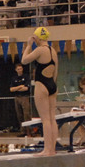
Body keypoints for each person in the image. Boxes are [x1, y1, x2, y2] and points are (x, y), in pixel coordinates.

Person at [21, 26, 58, 156]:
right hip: (52, 85)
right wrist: (52, 85)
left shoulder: (40, 50)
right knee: (52, 119)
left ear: (36, 38)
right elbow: (55, 71)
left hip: (42, 85)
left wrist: (28, 45)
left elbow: (24, 60)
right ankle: (52, 149)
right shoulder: (53, 50)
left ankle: (47, 150)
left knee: (45, 119)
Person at [10, 63, 31, 133]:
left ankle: (28, 131)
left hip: (24, 97)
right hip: (17, 97)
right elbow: (11, 89)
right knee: (19, 115)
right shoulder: (14, 78)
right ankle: (22, 131)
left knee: (26, 114)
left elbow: (26, 88)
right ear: (16, 70)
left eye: (21, 69)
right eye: (18, 69)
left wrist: (17, 88)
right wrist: (19, 87)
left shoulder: (26, 77)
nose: (20, 70)